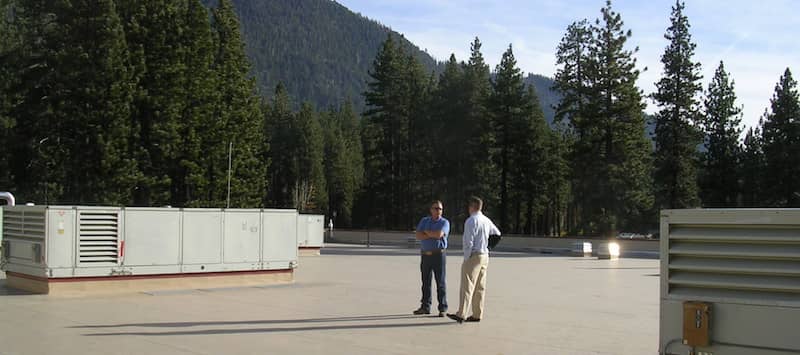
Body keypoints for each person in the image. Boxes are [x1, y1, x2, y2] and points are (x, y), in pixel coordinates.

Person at [448, 196, 500, 323]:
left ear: (472, 207)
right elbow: (497, 234)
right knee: (480, 287)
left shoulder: (471, 221)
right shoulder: (486, 220)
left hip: (474, 256)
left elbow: (468, 241)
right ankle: (477, 314)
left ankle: (461, 314)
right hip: (484, 256)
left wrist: (467, 257)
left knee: (467, 285)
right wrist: (488, 247)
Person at [413, 200, 450, 317]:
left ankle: (442, 308)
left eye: (440, 209)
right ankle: (425, 306)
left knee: (440, 282)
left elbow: (439, 234)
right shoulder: (424, 220)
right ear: (431, 210)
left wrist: (426, 233)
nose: (438, 211)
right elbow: (418, 236)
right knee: (425, 282)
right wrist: (431, 234)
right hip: (425, 255)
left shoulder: (445, 222)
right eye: (436, 208)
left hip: (438, 255)